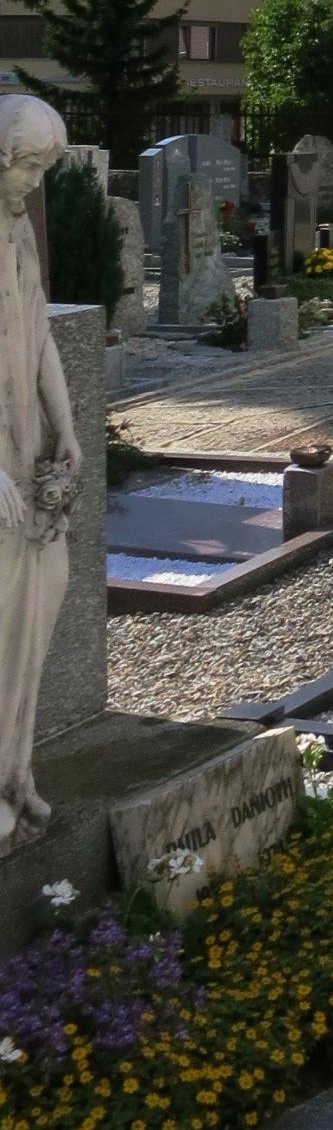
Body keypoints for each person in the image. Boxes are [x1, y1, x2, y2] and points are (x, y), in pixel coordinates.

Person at [0, 93, 85, 857]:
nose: (31, 182)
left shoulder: (18, 227)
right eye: (25, 165)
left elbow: (41, 336)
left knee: (37, 612)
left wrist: (68, 426)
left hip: (26, 448)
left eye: (40, 170)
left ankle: (14, 772)